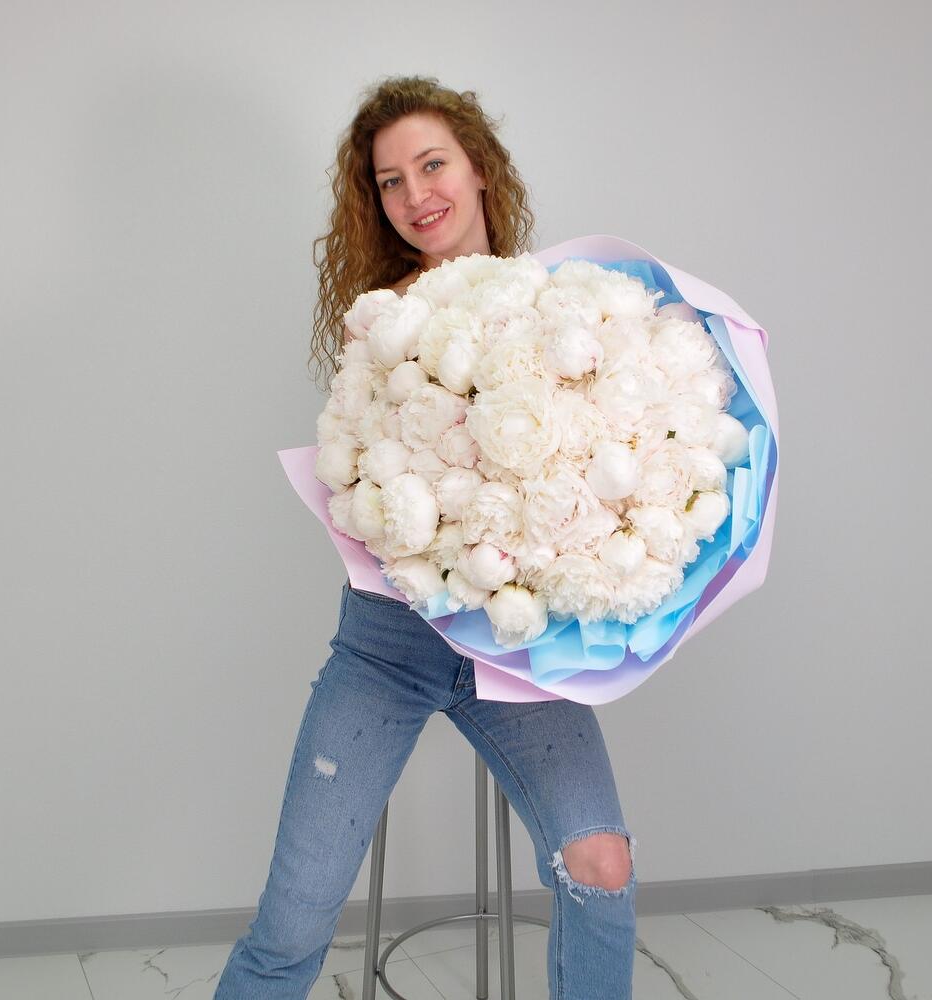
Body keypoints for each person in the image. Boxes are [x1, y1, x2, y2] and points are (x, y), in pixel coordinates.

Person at [214, 75, 636, 1000]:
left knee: (602, 865)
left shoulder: (567, 309)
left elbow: (617, 471)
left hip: (516, 652)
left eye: (432, 165)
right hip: (390, 646)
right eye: (390, 181)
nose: (416, 194)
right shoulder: (382, 327)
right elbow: (360, 491)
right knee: (292, 923)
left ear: (479, 169)